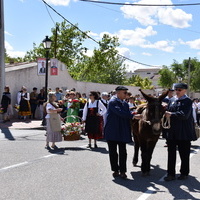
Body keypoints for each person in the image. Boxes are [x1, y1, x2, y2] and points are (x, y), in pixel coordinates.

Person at [104, 86, 142, 179]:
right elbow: (120, 113)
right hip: (112, 130)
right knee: (113, 152)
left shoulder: (125, 103)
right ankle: (115, 170)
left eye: (126, 93)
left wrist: (134, 115)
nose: (126, 95)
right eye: (124, 93)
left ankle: (123, 171)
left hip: (122, 130)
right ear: (118, 93)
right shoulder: (112, 102)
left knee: (123, 152)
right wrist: (133, 116)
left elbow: (127, 115)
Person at [164, 83, 197, 181]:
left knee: (184, 154)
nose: (177, 91)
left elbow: (184, 115)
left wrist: (171, 114)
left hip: (183, 132)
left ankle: (184, 173)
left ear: (185, 90)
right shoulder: (172, 100)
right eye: (176, 90)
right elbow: (168, 112)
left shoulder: (187, 101)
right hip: (172, 131)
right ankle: (170, 174)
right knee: (171, 154)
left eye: (179, 90)